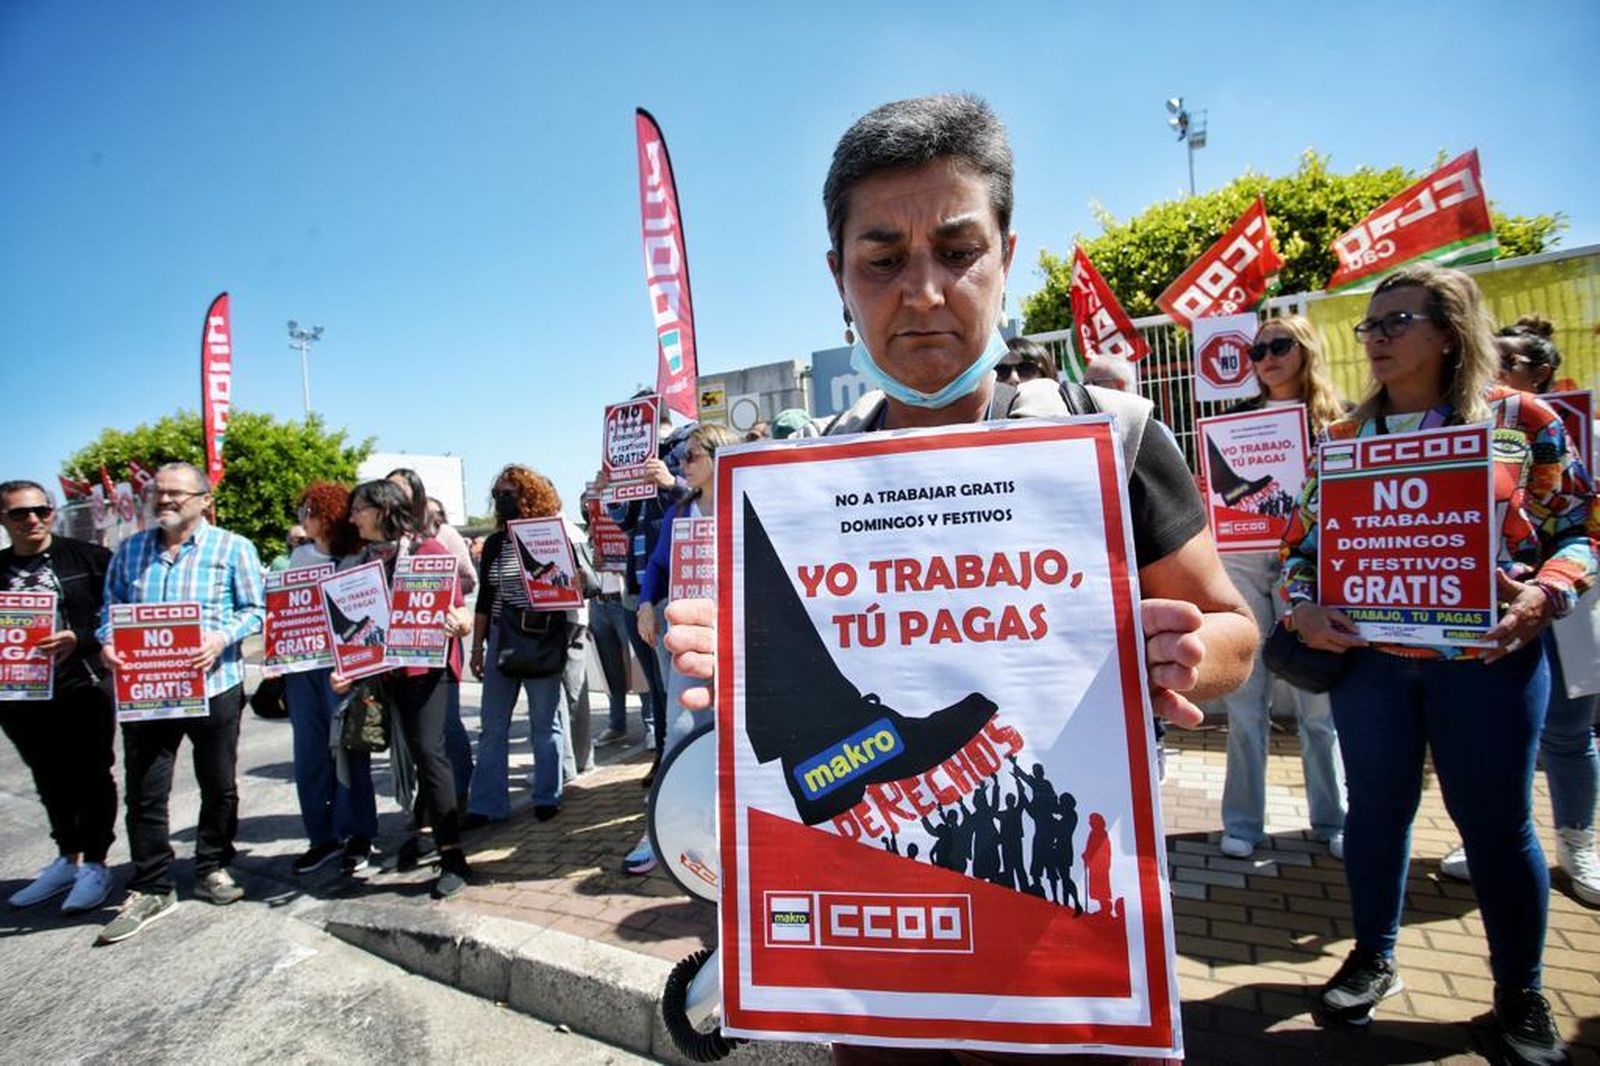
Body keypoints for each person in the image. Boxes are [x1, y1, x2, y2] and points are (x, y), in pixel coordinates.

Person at [661, 94, 1257, 1062]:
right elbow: (776, 721)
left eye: (956, 249)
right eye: (883, 257)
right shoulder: (793, 483)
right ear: (839, 277)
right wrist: (727, 661)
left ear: (1007, 257)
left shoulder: (1110, 435)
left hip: (1063, 948)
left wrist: (1189, 653)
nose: (923, 290)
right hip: (881, 950)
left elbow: (1232, 627)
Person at [1281, 263, 1595, 1061]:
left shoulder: (1524, 421)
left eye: (1396, 322)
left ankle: (1519, 992)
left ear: (1450, 332)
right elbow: (1300, 552)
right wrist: (1303, 607)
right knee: (1376, 819)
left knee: (1497, 828)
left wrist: (1547, 595)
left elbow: (1582, 530)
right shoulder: (1345, 439)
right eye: (1370, 326)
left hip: (1487, 665)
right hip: (1373, 669)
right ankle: (1373, 956)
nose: (1376, 339)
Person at [1435, 317, 1599, 907]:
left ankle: (1578, 843)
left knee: (1568, 732)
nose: (1496, 372)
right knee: (1494, 746)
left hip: (1559, 607)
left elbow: (1583, 526)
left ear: (1542, 373)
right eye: (1491, 359)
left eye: (1511, 364)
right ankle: (1486, 838)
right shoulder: (1437, 428)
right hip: (1475, 622)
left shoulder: (1546, 424)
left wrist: (1549, 588)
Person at [94, 462, 266, 944]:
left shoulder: (233, 548)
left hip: (215, 684)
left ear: (204, 500)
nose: (164, 500)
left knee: (219, 784)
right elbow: (108, 610)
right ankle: (151, 884)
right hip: (147, 693)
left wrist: (219, 639)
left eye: (176, 494)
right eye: (159, 493)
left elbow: (255, 609)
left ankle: (212, 865)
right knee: (146, 791)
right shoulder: (129, 552)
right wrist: (107, 641)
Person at [1209, 315, 1348, 860]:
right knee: (1246, 703)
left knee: (1318, 706)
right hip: (1243, 561)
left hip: (1311, 568)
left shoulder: (1338, 424)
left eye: (1279, 345)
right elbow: (1219, 491)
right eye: (1257, 349)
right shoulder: (1233, 422)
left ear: (1305, 349)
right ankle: (1243, 822)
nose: (1266, 357)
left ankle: (1331, 817)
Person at [339, 479, 474, 898]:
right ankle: (421, 833)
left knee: (430, 755)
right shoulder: (360, 562)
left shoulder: (427, 552)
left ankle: (453, 858)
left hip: (424, 671)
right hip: (385, 674)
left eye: (359, 508)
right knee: (412, 756)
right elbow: (353, 625)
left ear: (381, 509)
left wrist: (461, 623)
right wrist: (347, 667)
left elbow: (456, 608)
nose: (351, 517)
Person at [623, 423, 740, 876]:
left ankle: (729, 833)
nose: (682, 464)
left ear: (718, 457)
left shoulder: (743, 503)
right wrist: (647, 604)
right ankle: (660, 831)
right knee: (682, 729)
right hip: (690, 636)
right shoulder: (681, 511)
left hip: (742, 638)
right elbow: (656, 563)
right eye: (683, 457)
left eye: (692, 456)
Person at [0, 480, 117, 916]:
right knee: (48, 777)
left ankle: (96, 865)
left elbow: (118, 615)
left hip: (82, 686)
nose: (32, 519)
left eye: (41, 510)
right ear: (4, 519)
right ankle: (68, 857)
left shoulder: (88, 559)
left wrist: (80, 638)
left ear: (52, 512)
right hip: (18, 694)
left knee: (92, 774)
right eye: (19, 513)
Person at [466, 466, 577, 826]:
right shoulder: (496, 543)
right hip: (501, 636)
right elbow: (485, 597)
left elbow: (569, 590)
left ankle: (548, 795)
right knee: (492, 726)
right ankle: (486, 804)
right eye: (498, 493)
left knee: (545, 723)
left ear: (529, 496)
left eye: (509, 493)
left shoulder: (551, 537)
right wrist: (478, 647)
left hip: (540, 635)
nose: (502, 500)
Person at [282, 481, 377, 877]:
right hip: (301, 669)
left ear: (329, 515)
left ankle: (359, 835)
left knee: (351, 754)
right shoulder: (299, 557)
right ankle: (320, 838)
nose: (304, 518)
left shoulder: (359, 559)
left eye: (310, 511)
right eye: (302, 511)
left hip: (343, 672)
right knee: (309, 757)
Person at [386, 468, 474, 801]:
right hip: (401, 656)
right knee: (417, 740)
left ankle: (460, 792)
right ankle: (427, 806)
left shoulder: (440, 539)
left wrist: (440, 596)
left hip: (436, 648)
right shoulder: (383, 547)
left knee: (442, 731)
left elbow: (466, 583)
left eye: (400, 491)